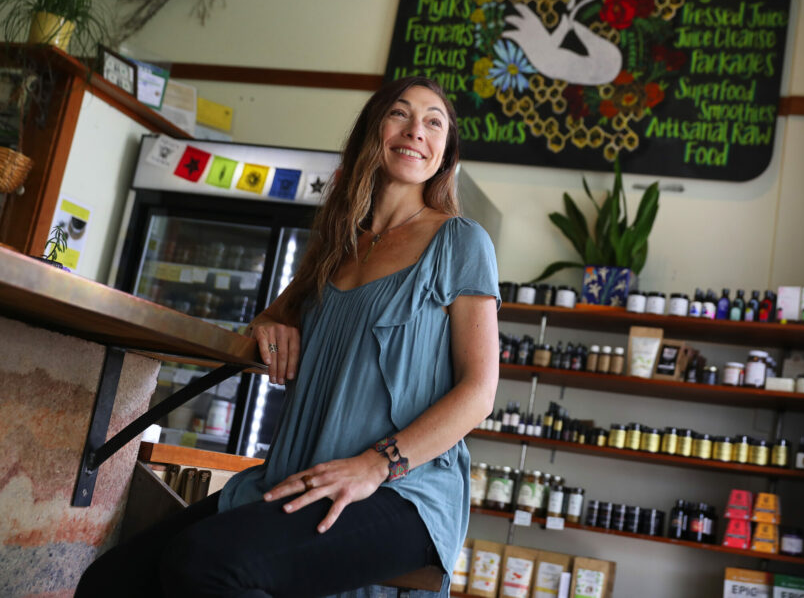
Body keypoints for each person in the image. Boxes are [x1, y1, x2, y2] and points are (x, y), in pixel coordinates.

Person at [76, 76, 500, 597]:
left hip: (402, 488)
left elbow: (479, 392)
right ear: (373, 129)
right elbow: (271, 317)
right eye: (400, 114)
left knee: (203, 564)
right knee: (109, 582)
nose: (416, 131)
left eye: (434, 123)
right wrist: (268, 324)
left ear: (445, 153)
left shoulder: (460, 241)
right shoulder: (337, 242)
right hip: (298, 471)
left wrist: (375, 465)